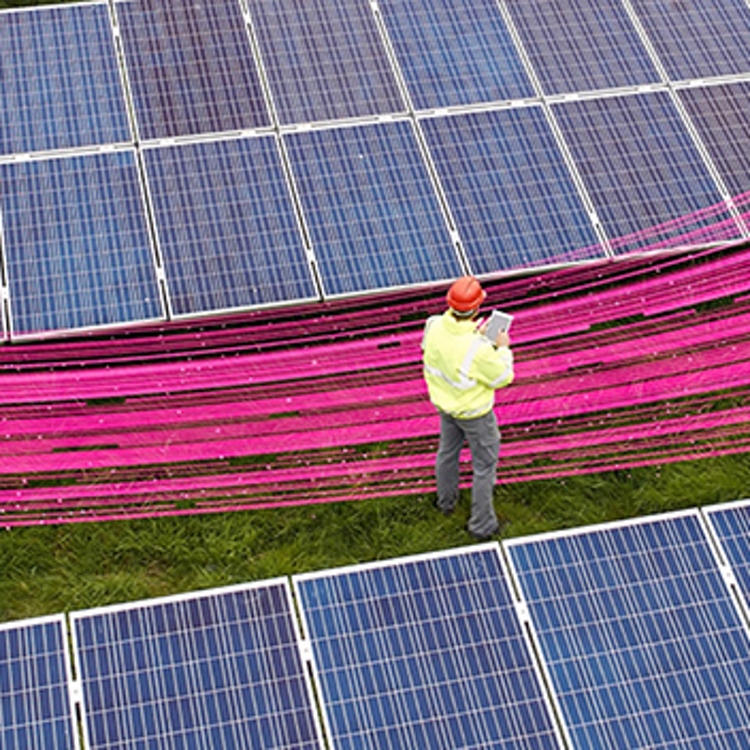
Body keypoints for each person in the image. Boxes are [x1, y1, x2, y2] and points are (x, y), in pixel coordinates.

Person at [421, 276, 514, 540]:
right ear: (476, 308)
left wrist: (478, 336)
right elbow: (502, 377)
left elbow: (446, 353)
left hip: (445, 406)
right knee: (484, 466)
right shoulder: (477, 350)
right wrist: (503, 348)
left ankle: (445, 503)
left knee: (447, 454)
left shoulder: (434, 325)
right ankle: (482, 525)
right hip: (475, 414)